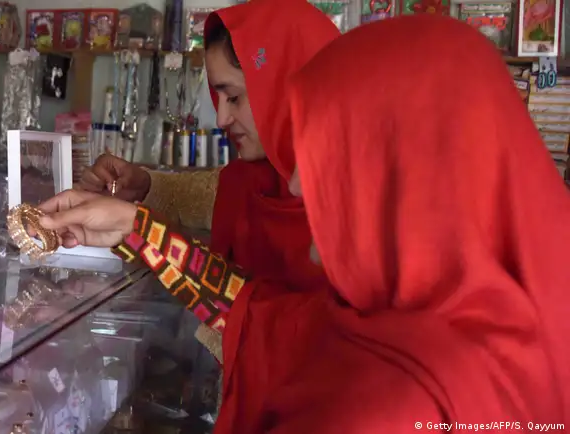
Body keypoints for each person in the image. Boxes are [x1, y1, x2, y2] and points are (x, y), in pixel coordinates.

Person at [36, 15, 568, 431]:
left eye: (330, 154)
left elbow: (274, 334)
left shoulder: (387, 405)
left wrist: (141, 228)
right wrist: (139, 228)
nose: (295, 185)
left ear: (402, 167)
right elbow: (272, 323)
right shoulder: (484, 329)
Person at [82, 0, 338, 295]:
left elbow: (272, 315)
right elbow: (194, 198)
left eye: (234, 98)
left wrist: (142, 231)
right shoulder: (245, 182)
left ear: (285, 90)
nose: (221, 119)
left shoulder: (356, 206)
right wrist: (141, 186)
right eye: (220, 99)